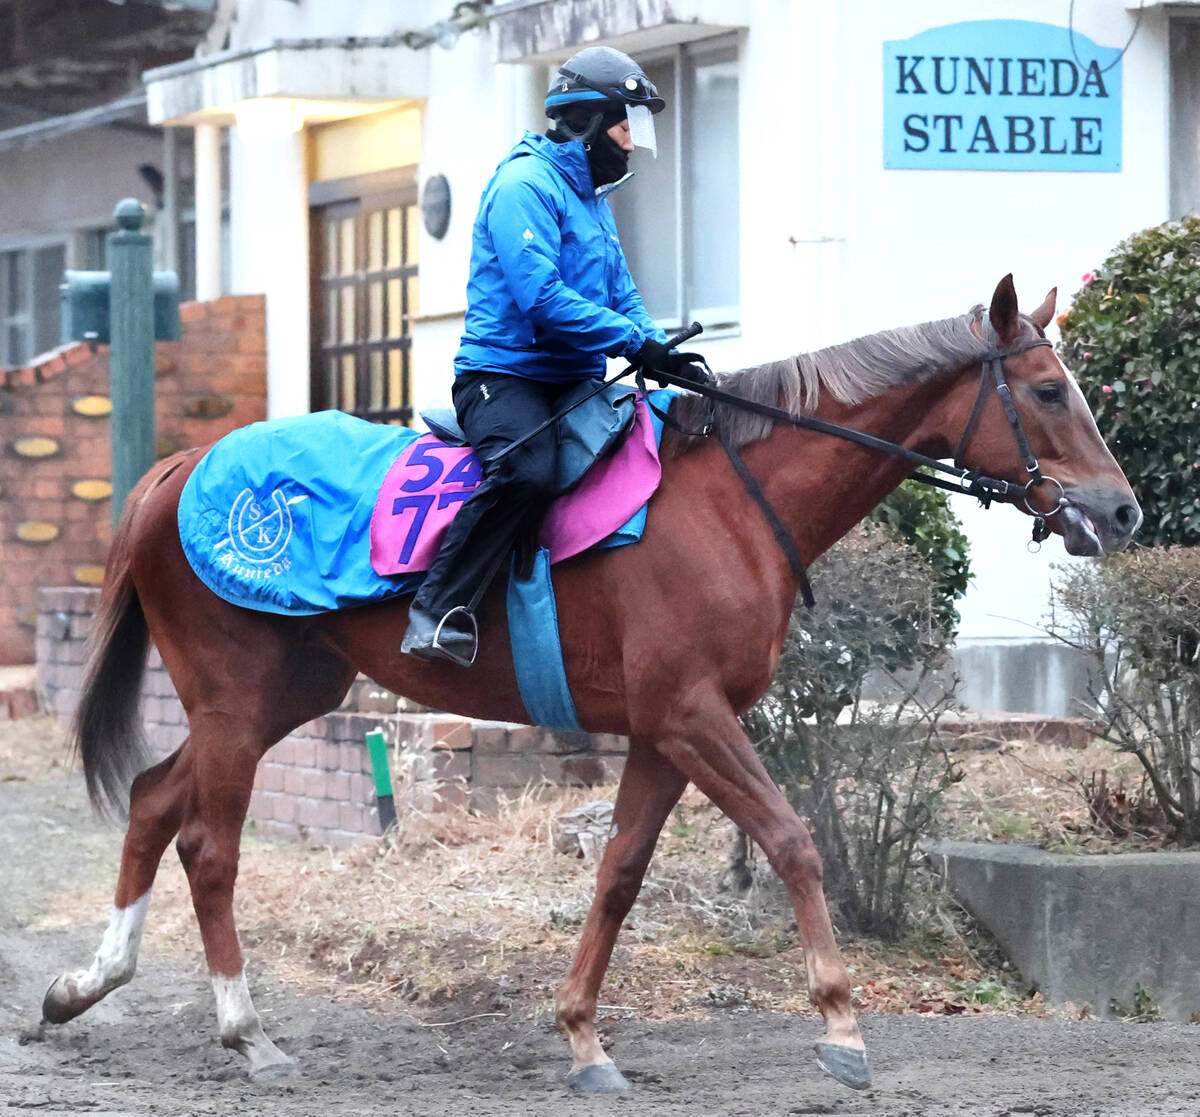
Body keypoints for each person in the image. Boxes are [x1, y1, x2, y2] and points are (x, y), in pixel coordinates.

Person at [401, 45, 706, 665]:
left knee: (659, 438)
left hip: (572, 378)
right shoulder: (523, 185)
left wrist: (658, 351)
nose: (633, 141)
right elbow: (542, 298)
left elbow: (621, 290)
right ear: (592, 121)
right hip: (502, 377)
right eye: (628, 123)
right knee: (526, 471)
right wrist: (628, 341)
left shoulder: (591, 198)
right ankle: (436, 611)